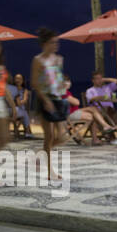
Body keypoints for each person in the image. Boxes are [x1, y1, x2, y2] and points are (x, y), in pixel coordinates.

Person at [30, 28, 69, 175]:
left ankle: (41, 155)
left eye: (57, 42)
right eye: (53, 42)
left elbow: (58, 78)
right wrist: (45, 100)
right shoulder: (38, 60)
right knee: (50, 136)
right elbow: (34, 83)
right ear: (45, 43)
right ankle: (49, 171)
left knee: (63, 136)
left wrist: (65, 85)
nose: (56, 45)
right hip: (44, 99)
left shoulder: (59, 59)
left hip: (58, 99)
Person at [85, 72, 117, 144]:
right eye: (97, 79)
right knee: (109, 113)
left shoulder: (107, 87)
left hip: (110, 110)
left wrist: (104, 79)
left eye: (100, 79)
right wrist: (99, 97)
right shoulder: (90, 90)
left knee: (112, 111)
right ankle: (111, 136)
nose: (99, 80)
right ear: (93, 80)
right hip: (98, 111)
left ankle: (111, 135)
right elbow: (90, 99)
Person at [9, 73, 33, 139]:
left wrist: (18, 103)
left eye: (20, 79)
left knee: (23, 112)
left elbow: (24, 100)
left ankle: (26, 131)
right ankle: (28, 131)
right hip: (12, 109)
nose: (18, 80)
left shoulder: (25, 90)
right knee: (24, 113)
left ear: (22, 80)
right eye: (16, 78)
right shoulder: (12, 89)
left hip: (19, 109)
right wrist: (15, 104)